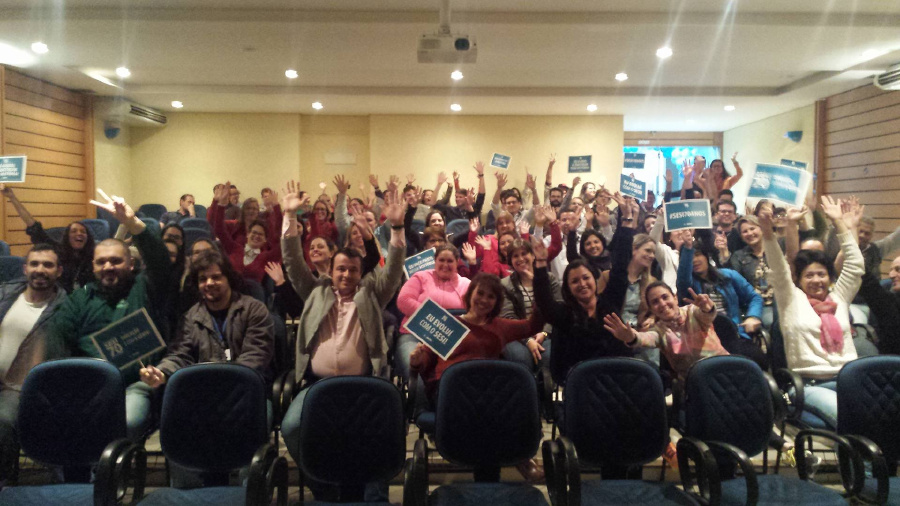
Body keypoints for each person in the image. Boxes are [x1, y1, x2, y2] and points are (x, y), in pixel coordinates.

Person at [50, 193, 171, 441]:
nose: (108, 267)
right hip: (90, 383)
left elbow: (159, 260)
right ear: (93, 266)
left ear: (131, 264)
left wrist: (132, 223)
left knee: (127, 421)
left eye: (116, 261)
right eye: (101, 262)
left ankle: (115, 464)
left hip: (137, 383)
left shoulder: (145, 287)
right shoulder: (79, 299)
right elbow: (61, 340)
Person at [408, 273, 545, 482]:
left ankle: (509, 463)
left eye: (490, 296)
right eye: (480, 293)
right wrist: (417, 360)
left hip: (487, 391)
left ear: (497, 302)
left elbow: (533, 326)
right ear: (470, 294)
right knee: (490, 410)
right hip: (451, 390)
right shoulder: (448, 324)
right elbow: (426, 359)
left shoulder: (500, 326)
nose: (484, 300)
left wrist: (540, 289)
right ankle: (518, 459)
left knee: (511, 398)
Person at [761, 196, 863, 429]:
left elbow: (855, 265)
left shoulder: (839, 298)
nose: (817, 280)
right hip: (809, 385)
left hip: (849, 380)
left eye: (821, 274)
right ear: (799, 279)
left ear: (829, 277)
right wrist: (768, 233)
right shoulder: (791, 299)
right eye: (809, 275)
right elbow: (778, 267)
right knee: (851, 419)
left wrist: (840, 223)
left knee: (882, 412)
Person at [138, 250, 274, 390]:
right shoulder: (191, 317)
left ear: (228, 278)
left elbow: (255, 357)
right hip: (206, 392)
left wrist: (221, 381)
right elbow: (180, 355)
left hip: (247, 389)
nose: (209, 283)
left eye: (216, 277)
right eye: (202, 279)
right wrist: (162, 372)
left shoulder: (254, 310)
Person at [0, 244, 67, 482]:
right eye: (34, 264)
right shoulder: (5, 294)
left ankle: (4, 484)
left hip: (19, 388)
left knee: (2, 420)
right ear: (25, 268)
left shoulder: (65, 307)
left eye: (48, 265)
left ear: (59, 271)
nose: (40, 270)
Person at [603, 284, 728, 381]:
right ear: (651, 310)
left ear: (675, 298)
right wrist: (631, 337)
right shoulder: (658, 331)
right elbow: (645, 338)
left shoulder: (693, 312)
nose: (662, 304)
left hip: (723, 370)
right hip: (694, 384)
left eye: (665, 297)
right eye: (655, 302)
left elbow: (707, 315)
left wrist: (707, 307)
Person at [395, 244, 471, 382]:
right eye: (441, 260)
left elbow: (473, 312)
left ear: (457, 262)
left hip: (451, 341)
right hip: (414, 336)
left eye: (450, 261)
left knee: (459, 374)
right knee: (413, 370)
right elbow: (403, 301)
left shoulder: (466, 284)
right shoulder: (420, 276)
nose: (445, 265)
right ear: (434, 261)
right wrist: (435, 320)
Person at [1, 184, 95, 293]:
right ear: (67, 236)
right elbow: (33, 226)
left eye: (83, 231)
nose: (79, 234)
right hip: (56, 296)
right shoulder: (56, 250)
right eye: (74, 231)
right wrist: (12, 198)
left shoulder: (94, 256)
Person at [677, 235, 763, 340]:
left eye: (698, 255)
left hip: (735, 333)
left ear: (707, 257)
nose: (694, 260)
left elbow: (754, 297)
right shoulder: (687, 285)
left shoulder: (729, 275)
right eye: (690, 257)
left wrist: (753, 316)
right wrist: (687, 248)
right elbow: (683, 278)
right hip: (705, 339)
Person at [500, 239, 560, 371]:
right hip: (516, 335)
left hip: (545, 332)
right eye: (515, 256)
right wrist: (527, 340)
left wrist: (544, 332)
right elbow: (508, 317)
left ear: (533, 256)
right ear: (511, 261)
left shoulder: (549, 279)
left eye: (524, 253)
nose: (521, 258)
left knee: (547, 356)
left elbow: (558, 309)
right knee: (521, 358)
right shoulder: (504, 284)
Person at [213, 183, 282, 283]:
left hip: (253, 291)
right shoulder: (235, 248)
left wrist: (276, 207)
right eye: (254, 232)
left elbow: (280, 237)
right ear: (248, 234)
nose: (256, 236)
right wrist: (220, 204)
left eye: (260, 234)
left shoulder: (265, 256)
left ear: (265, 239)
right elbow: (219, 229)